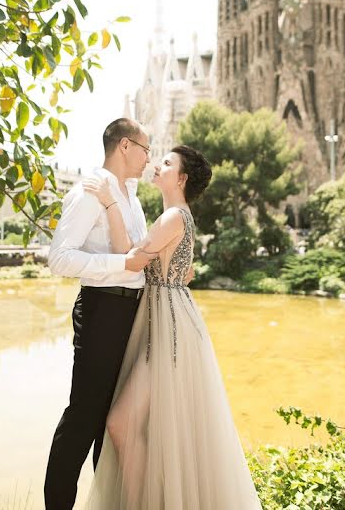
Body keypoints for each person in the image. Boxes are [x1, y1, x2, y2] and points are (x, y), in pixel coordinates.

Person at [82, 145, 262, 509]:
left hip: (170, 331)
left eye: (166, 163)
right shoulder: (179, 216)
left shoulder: (172, 218)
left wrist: (110, 203)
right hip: (170, 319)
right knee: (151, 428)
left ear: (181, 178)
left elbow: (131, 261)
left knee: (120, 424)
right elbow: (175, 268)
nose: (156, 165)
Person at [44, 118, 158, 510]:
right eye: (145, 149)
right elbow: (58, 259)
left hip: (130, 314)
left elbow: (137, 256)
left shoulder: (131, 194)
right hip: (101, 310)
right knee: (84, 418)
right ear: (125, 146)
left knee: (112, 425)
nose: (149, 158)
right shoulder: (88, 191)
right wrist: (120, 265)